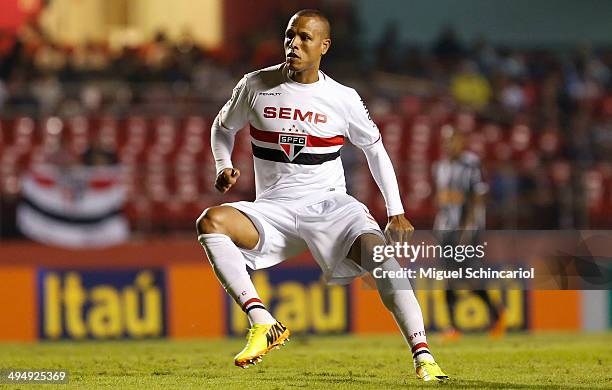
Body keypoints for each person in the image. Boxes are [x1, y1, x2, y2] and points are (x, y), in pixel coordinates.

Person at [196, 9, 448, 382]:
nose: (293, 44)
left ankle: (423, 356)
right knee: (211, 222)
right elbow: (222, 126)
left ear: (324, 46)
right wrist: (222, 164)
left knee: (381, 260)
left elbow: (375, 149)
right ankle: (263, 322)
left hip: (332, 206)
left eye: (304, 38)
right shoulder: (255, 84)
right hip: (274, 210)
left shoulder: (342, 98)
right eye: (289, 36)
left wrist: (396, 211)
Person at [433, 126, 505, 339]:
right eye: (445, 141)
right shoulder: (440, 166)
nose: (448, 145)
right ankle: (453, 327)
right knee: (449, 277)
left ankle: (496, 314)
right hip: (445, 229)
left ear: (460, 141)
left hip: (466, 231)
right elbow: (442, 200)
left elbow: (477, 198)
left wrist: (467, 230)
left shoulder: (471, 163)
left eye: (452, 140)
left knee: (469, 276)